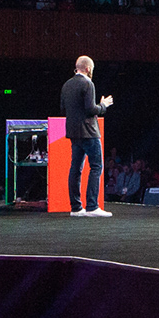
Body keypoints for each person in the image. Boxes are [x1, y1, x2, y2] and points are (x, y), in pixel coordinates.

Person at [60, 55, 114, 217]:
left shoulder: (66, 85)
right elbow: (91, 109)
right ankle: (92, 206)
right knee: (96, 166)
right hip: (89, 132)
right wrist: (103, 106)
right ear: (88, 69)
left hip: (73, 133)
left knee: (75, 169)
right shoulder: (87, 84)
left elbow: (63, 109)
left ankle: (76, 208)